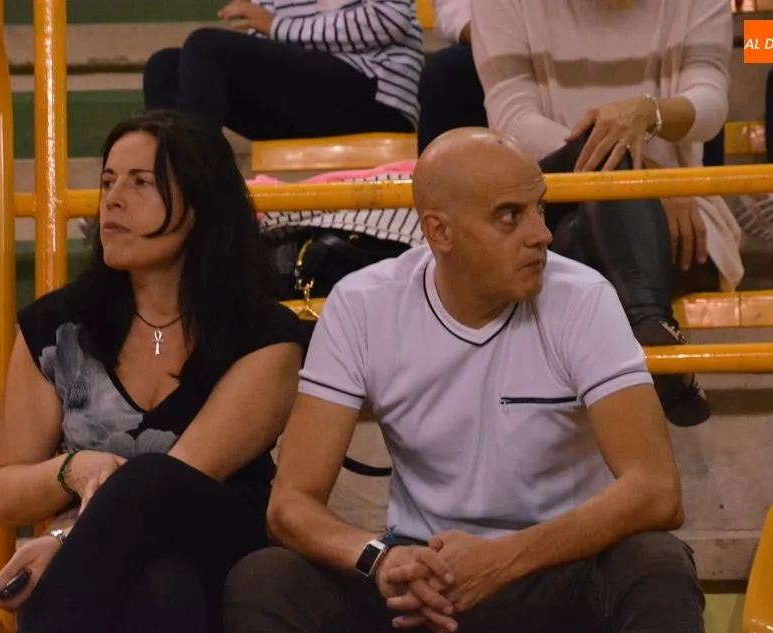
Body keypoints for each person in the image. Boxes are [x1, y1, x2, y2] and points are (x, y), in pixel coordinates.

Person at [222, 128, 704, 633]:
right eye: (510, 216)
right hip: (422, 566)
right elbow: (290, 504)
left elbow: (656, 490)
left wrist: (503, 559)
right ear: (440, 233)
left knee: (655, 562)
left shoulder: (583, 297)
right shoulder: (363, 304)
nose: (542, 234)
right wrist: (379, 559)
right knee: (267, 579)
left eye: (539, 208)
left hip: (554, 561)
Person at [0, 111, 304, 633]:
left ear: (199, 206)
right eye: (108, 181)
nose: (113, 199)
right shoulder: (58, 329)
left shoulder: (265, 336)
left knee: (153, 483)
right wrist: (73, 468)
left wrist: (63, 540)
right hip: (124, 583)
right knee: (161, 588)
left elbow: (172, 482)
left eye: (141, 183)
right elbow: (1, 490)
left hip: (223, 558)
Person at [469, 0, 747, 427]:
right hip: (550, 203)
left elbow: (710, 102)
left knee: (572, 249)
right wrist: (640, 177)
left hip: (678, 216)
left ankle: (645, 338)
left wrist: (651, 114)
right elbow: (513, 120)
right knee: (582, 197)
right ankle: (653, 331)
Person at [142, 0, 424, 141]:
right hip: (304, 94)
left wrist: (279, 27)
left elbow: (389, 19)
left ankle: (196, 188)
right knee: (164, 67)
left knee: (207, 45)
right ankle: (167, 186)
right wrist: (274, 30)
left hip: (375, 91)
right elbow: (266, 38)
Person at [416, 0, 486, 153]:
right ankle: (438, 165)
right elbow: (453, 9)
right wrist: (494, 42)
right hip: (487, 43)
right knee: (446, 72)